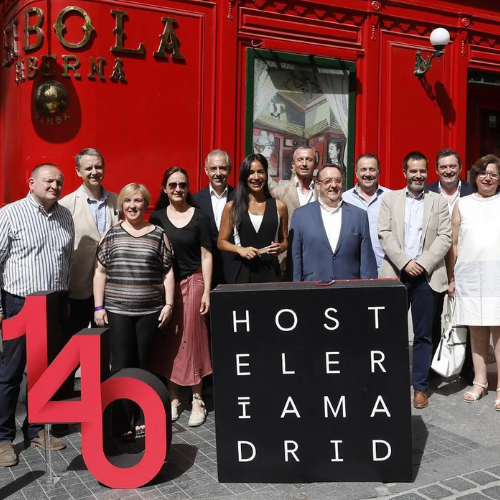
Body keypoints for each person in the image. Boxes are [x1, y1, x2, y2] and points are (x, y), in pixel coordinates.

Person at [0, 164, 74, 467]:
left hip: (53, 302)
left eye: (59, 181)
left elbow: (66, 260)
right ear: (31, 183)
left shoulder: (64, 215)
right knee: (11, 372)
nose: (55, 185)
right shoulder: (10, 214)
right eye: (48, 181)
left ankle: (34, 430)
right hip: (19, 303)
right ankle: (3, 438)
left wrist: (65, 299)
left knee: (45, 372)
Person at [94, 183, 174, 439]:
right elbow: (100, 272)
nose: (133, 206)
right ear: (122, 205)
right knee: (119, 365)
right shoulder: (112, 234)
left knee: (143, 365)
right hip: (117, 311)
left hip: (149, 311)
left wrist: (169, 304)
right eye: (128, 201)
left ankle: (141, 414)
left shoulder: (158, 234)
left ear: (145, 204)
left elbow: (167, 271)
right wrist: (98, 306)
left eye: (138, 201)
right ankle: (120, 419)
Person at [378, 152, 451, 410]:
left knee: (424, 335)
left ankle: (420, 388)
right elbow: (384, 234)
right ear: (404, 172)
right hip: (396, 274)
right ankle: (391, 381)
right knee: (391, 333)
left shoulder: (439, 202)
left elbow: (445, 237)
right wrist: (405, 262)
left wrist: (422, 263)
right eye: (413, 171)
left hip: (426, 277)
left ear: (427, 172)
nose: (418, 175)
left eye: (422, 171)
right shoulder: (390, 199)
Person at [57, 148, 119, 435]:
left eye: (98, 166)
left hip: (112, 292)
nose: (94, 172)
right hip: (78, 291)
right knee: (69, 354)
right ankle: (62, 416)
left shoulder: (119, 201)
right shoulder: (66, 204)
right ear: (78, 172)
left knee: (108, 352)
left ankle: (106, 409)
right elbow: (61, 253)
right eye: (88, 168)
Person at [150, 168, 213, 427]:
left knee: (194, 340)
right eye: (173, 185)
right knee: (170, 340)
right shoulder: (157, 218)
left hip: (194, 282)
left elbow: (206, 256)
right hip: (165, 288)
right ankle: (174, 397)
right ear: (164, 188)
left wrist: (207, 290)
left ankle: (197, 398)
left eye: (183, 185)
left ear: (188, 188)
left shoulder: (200, 217)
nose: (178, 189)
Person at [447, 155, 500, 407]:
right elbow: (454, 244)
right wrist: (452, 277)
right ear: (475, 177)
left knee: (499, 333)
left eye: (493, 174)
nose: (487, 178)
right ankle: (480, 381)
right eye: (483, 173)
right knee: (477, 332)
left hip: (497, 277)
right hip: (469, 277)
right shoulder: (463, 204)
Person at [427, 149, 474, 384]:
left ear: (460, 168)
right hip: (433, 265)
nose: (448, 171)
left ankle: (468, 369)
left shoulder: (472, 192)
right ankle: (433, 368)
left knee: (466, 318)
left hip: (466, 264)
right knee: (434, 317)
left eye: (452, 166)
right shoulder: (426, 193)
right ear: (436, 170)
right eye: (443, 167)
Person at [288, 163, 377, 282]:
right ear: (318, 185)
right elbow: (295, 258)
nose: (334, 185)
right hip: (312, 290)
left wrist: (368, 292)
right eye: (328, 181)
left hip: (349, 290)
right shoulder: (300, 215)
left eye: (338, 180)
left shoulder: (359, 215)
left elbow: (367, 261)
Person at [218, 154, 288, 283]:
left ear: (266, 175)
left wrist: (280, 247)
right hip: (241, 272)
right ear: (244, 176)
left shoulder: (280, 206)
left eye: (260, 172)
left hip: (270, 272)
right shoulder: (232, 207)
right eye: (251, 173)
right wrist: (240, 249)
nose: (256, 177)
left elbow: (285, 240)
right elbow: (221, 242)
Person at [192, 150, 236, 288]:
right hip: (205, 274)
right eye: (213, 169)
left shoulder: (241, 198)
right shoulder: (195, 200)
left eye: (222, 168)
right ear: (206, 170)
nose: (218, 173)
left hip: (234, 271)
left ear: (229, 170)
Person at [272, 147, 317, 274]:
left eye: (308, 159)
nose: (304, 164)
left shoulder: (322, 192)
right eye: (300, 160)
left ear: (315, 164)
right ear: (293, 164)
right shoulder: (279, 193)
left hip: (315, 262)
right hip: (287, 262)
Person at [342, 153, 391, 271]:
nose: (367, 174)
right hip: (353, 267)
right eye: (363, 170)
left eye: (372, 170)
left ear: (378, 172)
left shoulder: (391, 197)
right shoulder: (344, 199)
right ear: (356, 172)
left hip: (385, 266)